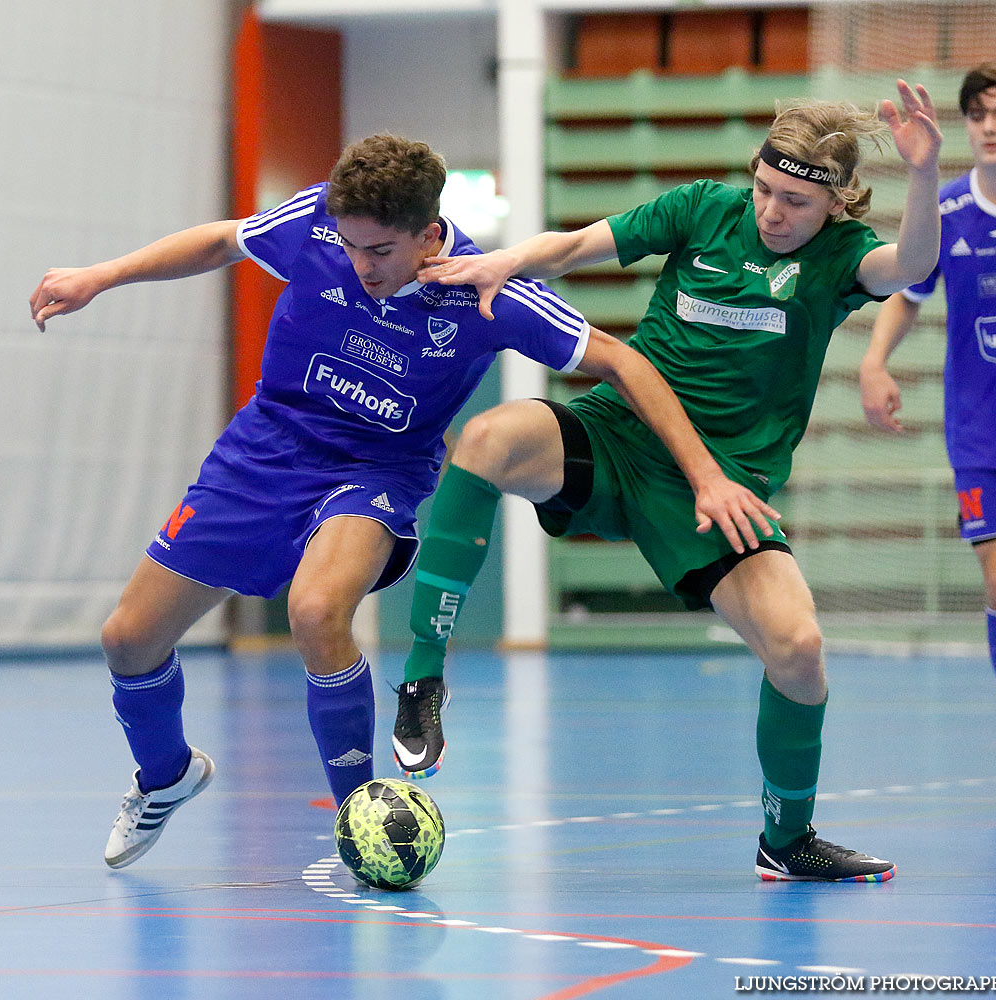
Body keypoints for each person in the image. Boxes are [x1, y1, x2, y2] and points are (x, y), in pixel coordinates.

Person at [30, 134, 774, 869]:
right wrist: (102, 276)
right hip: (267, 447)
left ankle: (362, 823)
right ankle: (167, 777)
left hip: (379, 466)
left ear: (428, 234)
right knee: (128, 639)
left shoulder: (490, 291)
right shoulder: (318, 221)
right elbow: (224, 242)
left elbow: (618, 359)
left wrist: (706, 474)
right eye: (349, 248)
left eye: (379, 252)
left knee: (317, 612)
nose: (360, 267)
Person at [396, 81, 942, 882]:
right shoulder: (700, 210)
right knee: (489, 438)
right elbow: (579, 244)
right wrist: (507, 257)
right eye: (762, 188)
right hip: (621, 436)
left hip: (723, 486)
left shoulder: (838, 260)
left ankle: (785, 839)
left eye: (793, 201)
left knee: (797, 650)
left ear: (833, 205)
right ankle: (423, 676)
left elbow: (915, 263)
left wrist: (926, 176)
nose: (770, 212)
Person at [859, 64, 996, 799]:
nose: (990, 125)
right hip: (984, 437)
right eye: (978, 115)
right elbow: (907, 292)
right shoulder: (951, 208)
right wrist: (873, 362)